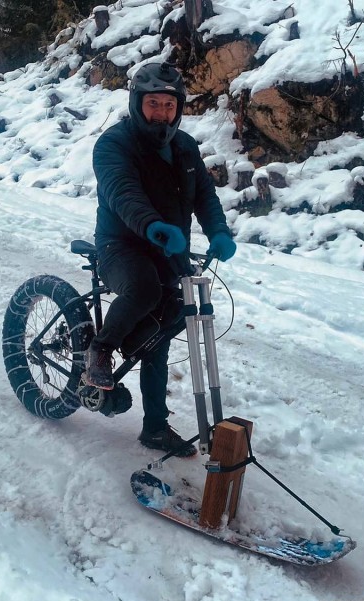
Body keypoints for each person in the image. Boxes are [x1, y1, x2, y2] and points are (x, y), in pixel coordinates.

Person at [87, 61, 236, 457]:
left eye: (169, 106)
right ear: (138, 103)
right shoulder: (113, 144)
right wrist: (152, 225)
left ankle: (155, 427)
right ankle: (100, 349)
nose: (162, 114)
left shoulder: (185, 146)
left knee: (167, 326)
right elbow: (122, 193)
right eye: (153, 104)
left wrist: (218, 230)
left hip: (170, 248)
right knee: (145, 288)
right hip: (122, 246)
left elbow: (204, 194)